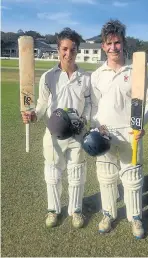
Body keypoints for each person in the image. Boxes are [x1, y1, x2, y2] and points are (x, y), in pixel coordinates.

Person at [90, 19, 148, 239]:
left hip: (131, 134)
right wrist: (96, 127)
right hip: (105, 134)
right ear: (102, 46)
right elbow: (94, 107)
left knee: (132, 178)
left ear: (123, 43)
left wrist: (141, 124)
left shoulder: (136, 71)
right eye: (108, 43)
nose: (113, 48)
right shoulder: (97, 75)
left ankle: (135, 217)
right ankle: (108, 213)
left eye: (117, 43)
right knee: (106, 177)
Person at [21, 28, 91, 229]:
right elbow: (42, 105)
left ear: (77, 50)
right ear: (58, 49)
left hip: (77, 135)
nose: (68, 54)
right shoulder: (48, 77)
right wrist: (33, 114)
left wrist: (84, 119)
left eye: (73, 49)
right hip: (53, 134)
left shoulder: (85, 78)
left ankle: (75, 211)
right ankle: (53, 210)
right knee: (52, 174)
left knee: (77, 174)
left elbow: (89, 104)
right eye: (65, 49)